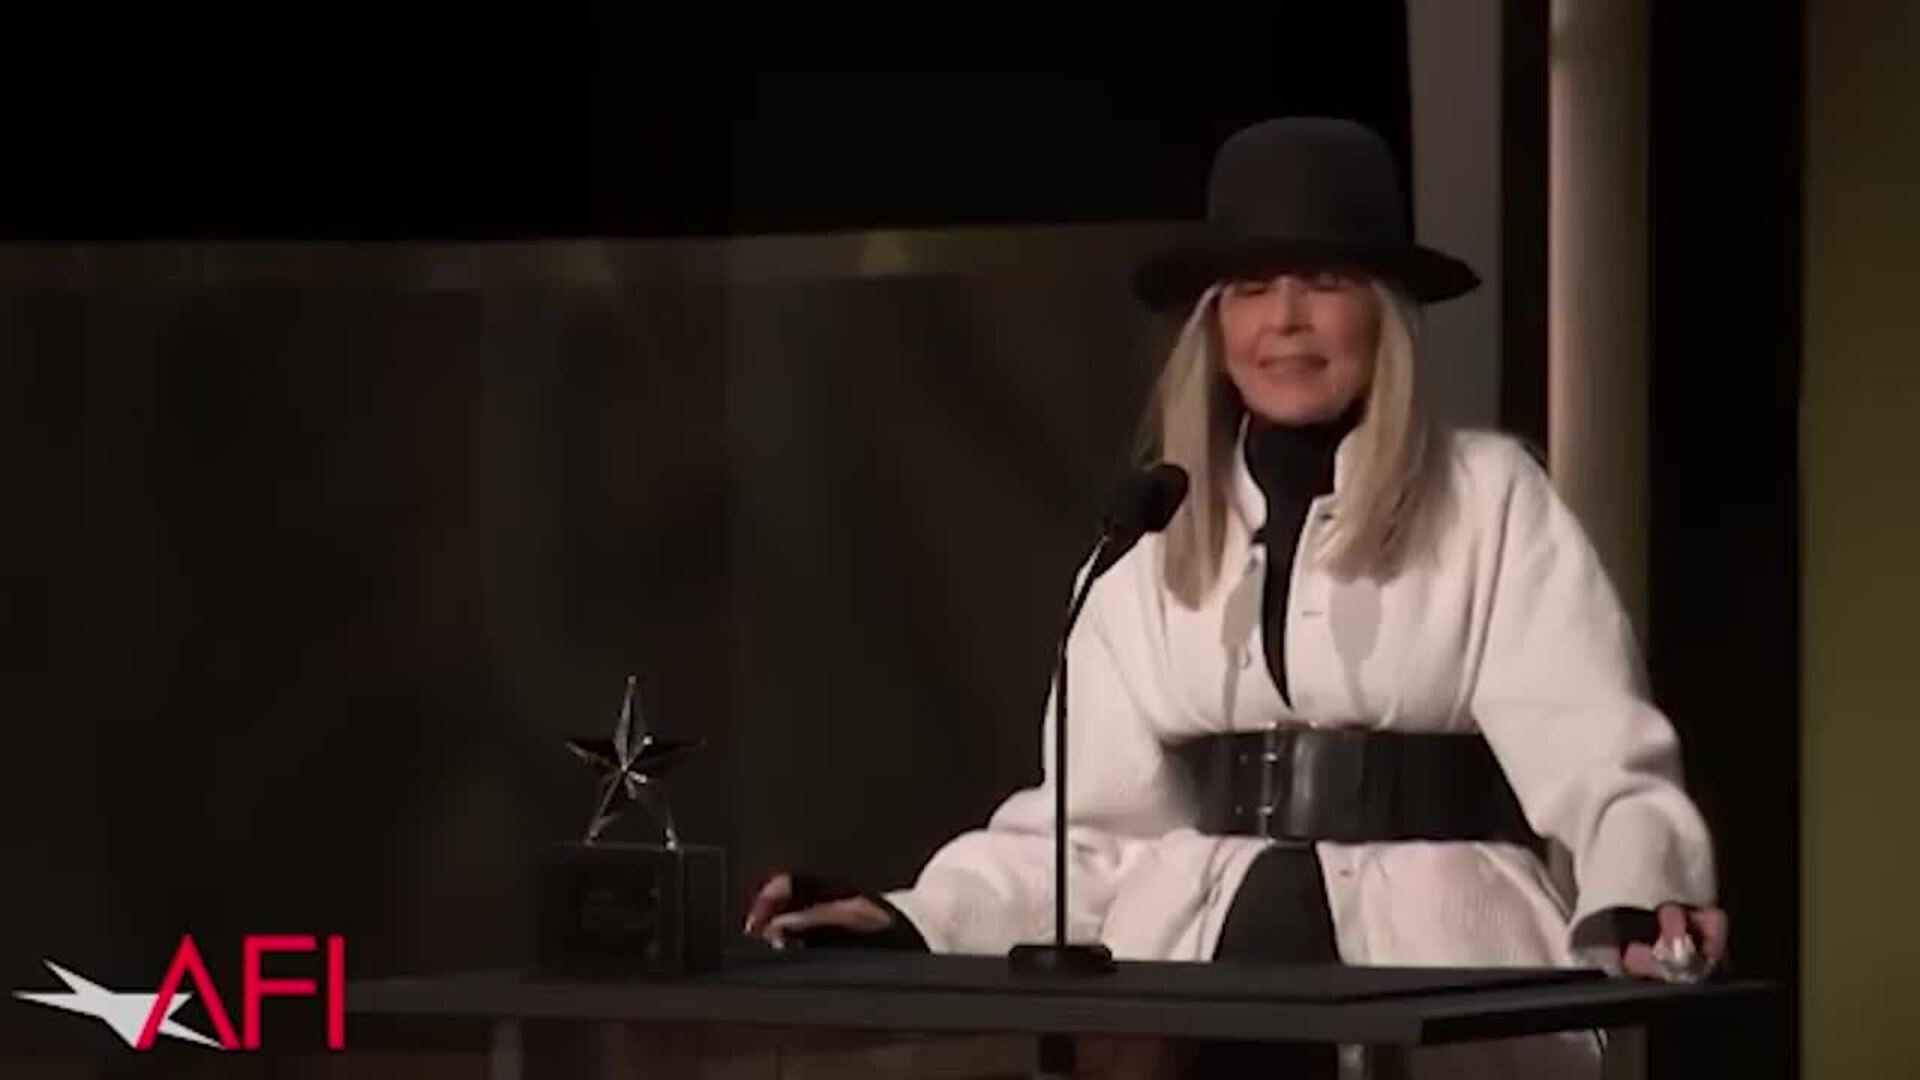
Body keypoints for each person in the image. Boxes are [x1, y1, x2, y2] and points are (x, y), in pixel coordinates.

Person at [744, 117, 1727, 1077]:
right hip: (1190, 992)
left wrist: (1647, 891)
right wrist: (912, 919)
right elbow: (1085, 837)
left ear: (1383, 312)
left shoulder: (1489, 501)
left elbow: (1603, 762)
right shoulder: (1149, 535)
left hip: (1443, 981)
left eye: (1324, 282)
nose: (1284, 318)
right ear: (1215, 327)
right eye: (1251, 288)